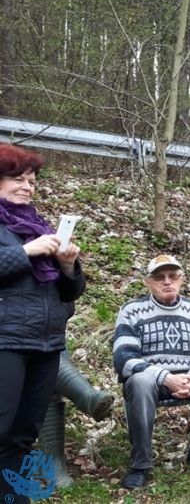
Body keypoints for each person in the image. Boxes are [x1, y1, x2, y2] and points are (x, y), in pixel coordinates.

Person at [0, 143, 85, 503]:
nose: (27, 187)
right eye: (18, 179)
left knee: (23, 434)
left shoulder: (39, 226)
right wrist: (26, 251)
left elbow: (71, 292)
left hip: (46, 342)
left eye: (32, 181)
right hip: (6, 341)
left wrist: (68, 265)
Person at [113, 254, 190, 490]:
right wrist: (166, 378)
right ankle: (141, 463)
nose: (167, 281)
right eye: (159, 277)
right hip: (151, 383)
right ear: (148, 282)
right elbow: (124, 359)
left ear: (181, 279)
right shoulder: (132, 310)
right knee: (139, 382)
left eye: (173, 276)